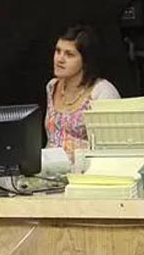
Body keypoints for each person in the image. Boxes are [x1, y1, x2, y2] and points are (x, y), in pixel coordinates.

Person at [44, 24, 121, 160]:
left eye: (69, 54)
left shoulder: (102, 92)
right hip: (50, 167)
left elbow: (111, 148)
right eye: (58, 51)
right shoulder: (52, 87)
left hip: (88, 169)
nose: (60, 59)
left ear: (85, 60)